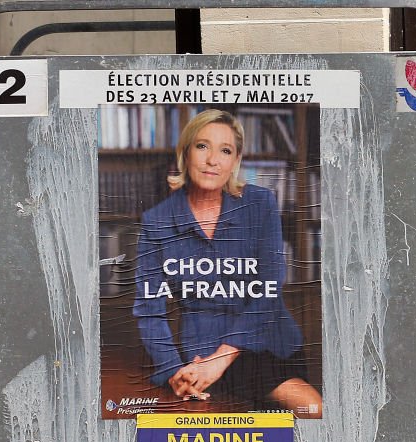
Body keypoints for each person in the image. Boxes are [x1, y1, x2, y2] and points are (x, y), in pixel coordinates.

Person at [133, 109, 322, 417]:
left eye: (225, 150)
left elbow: (268, 290)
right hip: (201, 354)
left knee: (310, 411)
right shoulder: (157, 222)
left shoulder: (260, 204)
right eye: (202, 146)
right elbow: (149, 310)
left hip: (267, 344)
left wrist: (220, 360)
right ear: (185, 153)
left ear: (236, 161)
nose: (213, 160)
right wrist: (173, 371)